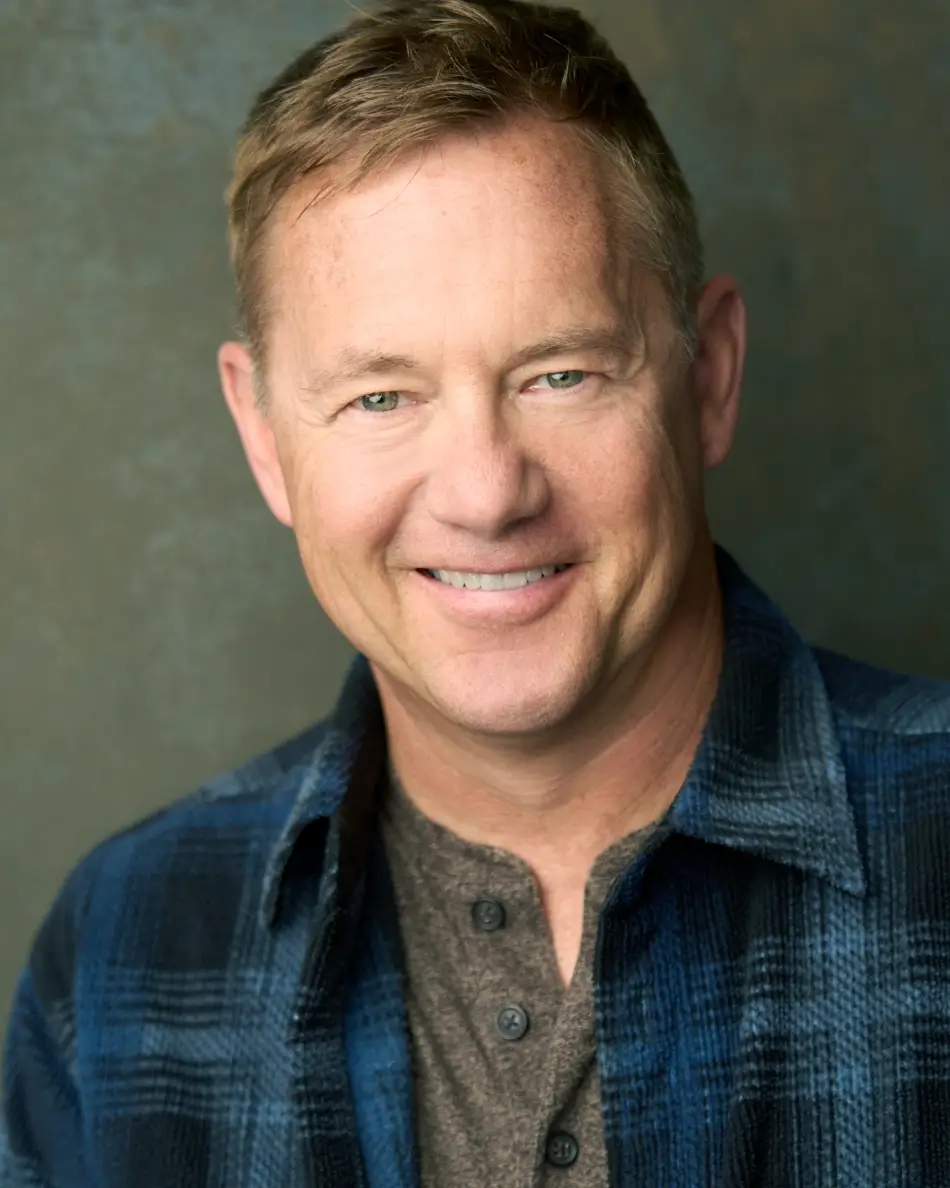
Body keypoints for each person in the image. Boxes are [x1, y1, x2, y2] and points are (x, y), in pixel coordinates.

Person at [4, 0, 950, 1184]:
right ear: (260, 435)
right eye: (379, 398)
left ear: (706, 377)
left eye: (559, 373)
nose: (485, 493)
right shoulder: (124, 950)